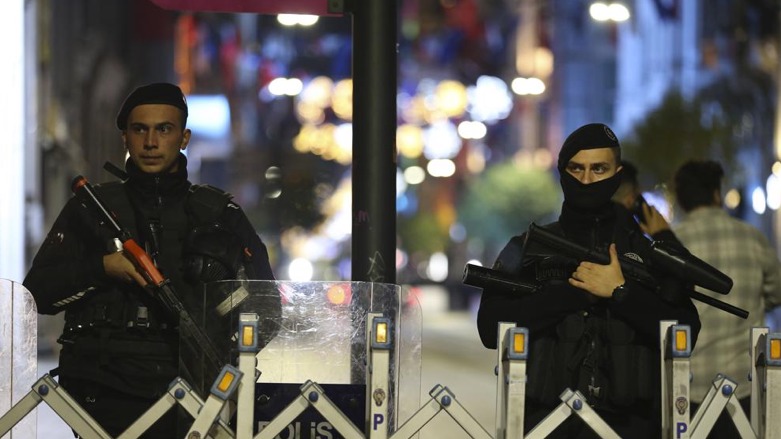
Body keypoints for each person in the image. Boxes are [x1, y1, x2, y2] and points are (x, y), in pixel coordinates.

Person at [23, 82, 280, 438]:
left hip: (193, 392)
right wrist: (102, 268)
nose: (151, 142)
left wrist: (216, 337)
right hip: (101, 390)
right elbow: (37, 293)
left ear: (184, 137)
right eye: (140, 129)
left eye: (164, 129)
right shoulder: (91, 208)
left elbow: (266, 310)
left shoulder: (220, 214)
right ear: (125, 138)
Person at [476, 123, 701, 438]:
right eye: (576, 168)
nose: (585, 179)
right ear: (562, 171)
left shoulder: (645, 252)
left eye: (599, 169)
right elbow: (489, 326)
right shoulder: (527, 247)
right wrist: (574, 294)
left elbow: (687, 331)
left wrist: (620, 293)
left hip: (632, 427)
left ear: (617, 173)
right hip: (548, 426)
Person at [672, 159, 781, 438]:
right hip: (746, 387)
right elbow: (776, 292)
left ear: (681, 200)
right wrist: (752, 303)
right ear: (717, 195)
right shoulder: (752, 237)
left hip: (688, 392)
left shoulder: (672, 244)